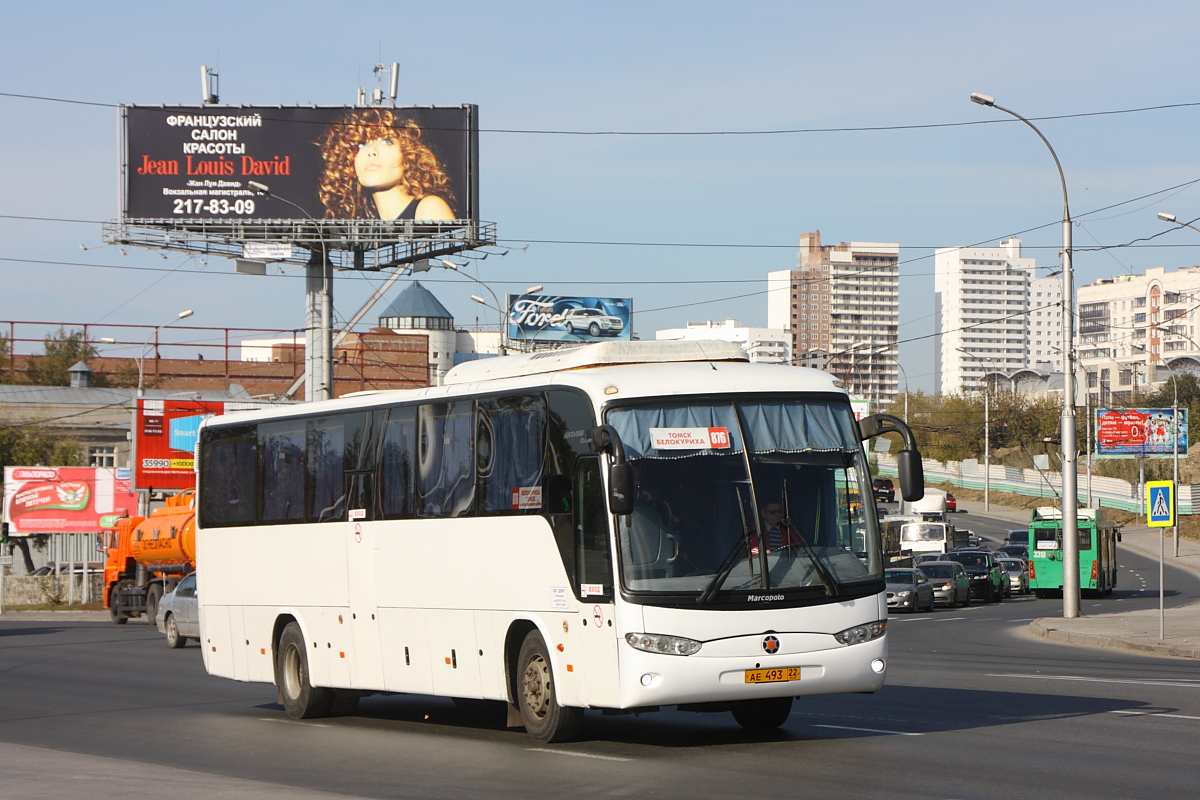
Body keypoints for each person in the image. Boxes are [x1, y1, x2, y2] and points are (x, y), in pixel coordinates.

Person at [317, 108, 456, 221]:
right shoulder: (363, 223)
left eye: (386, 142)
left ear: (408, 154)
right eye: (362, 144)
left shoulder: (429, 208)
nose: (371, 151)